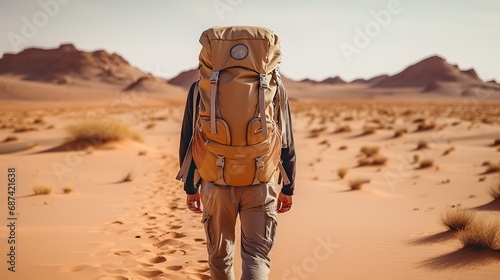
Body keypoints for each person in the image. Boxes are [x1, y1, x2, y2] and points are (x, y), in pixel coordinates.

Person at [178, 78, 296, 280]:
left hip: (215, 185)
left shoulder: (201, 87)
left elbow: (189, 139)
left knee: (220, 257)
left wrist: (190, 187)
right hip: (260, 182)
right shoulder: (274, 85)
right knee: (256, 257)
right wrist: (288, 187)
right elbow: (285, 139)